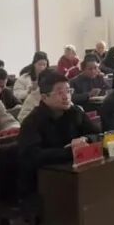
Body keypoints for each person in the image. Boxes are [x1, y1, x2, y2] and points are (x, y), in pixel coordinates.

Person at [17, 70, 100, 199]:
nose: (66, 97)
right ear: (44, 97)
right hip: (42, 182)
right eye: (60, 93)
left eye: (68, 91)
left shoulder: (75, 112)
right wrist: (70, 152)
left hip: (75, 172)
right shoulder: (32, 122)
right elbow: (32, 156)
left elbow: (98, 134)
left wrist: (85, 139)